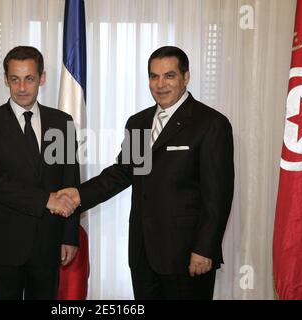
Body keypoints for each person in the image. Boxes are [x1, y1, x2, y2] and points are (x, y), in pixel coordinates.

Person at [55, 46, 234, 300]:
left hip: (188, 256)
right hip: (143, 254)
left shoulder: (211, 124)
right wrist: (77, 195)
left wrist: (205, 248)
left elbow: (219, 196)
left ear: (186, 77)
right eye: (153, 76)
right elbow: (123, 172)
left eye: (169, 76)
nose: (160, 84)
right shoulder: (138, 122)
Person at [0, 46, 80, 300]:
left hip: (49, 243)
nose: (22, 87)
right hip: (3, 245)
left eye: (29, 78)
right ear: (6, 80)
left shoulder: (62, 123)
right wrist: (46, 199)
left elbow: (70, 181)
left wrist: (70, 236)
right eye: (15, 79)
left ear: (42, 78)